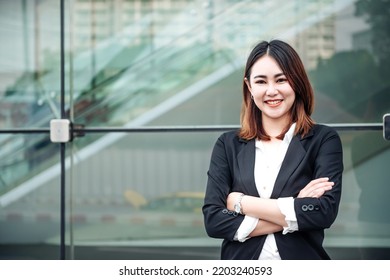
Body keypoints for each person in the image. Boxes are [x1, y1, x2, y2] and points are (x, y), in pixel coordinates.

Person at [202, 39, 343, 260]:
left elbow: (323, 213)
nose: (271, 91)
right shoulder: (228, 144)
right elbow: (214, 221)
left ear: (296, 82)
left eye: (281, 80)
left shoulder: (323, 140)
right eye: (261, 81)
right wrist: (295, 207)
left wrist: (241, 203)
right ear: (249, 87)